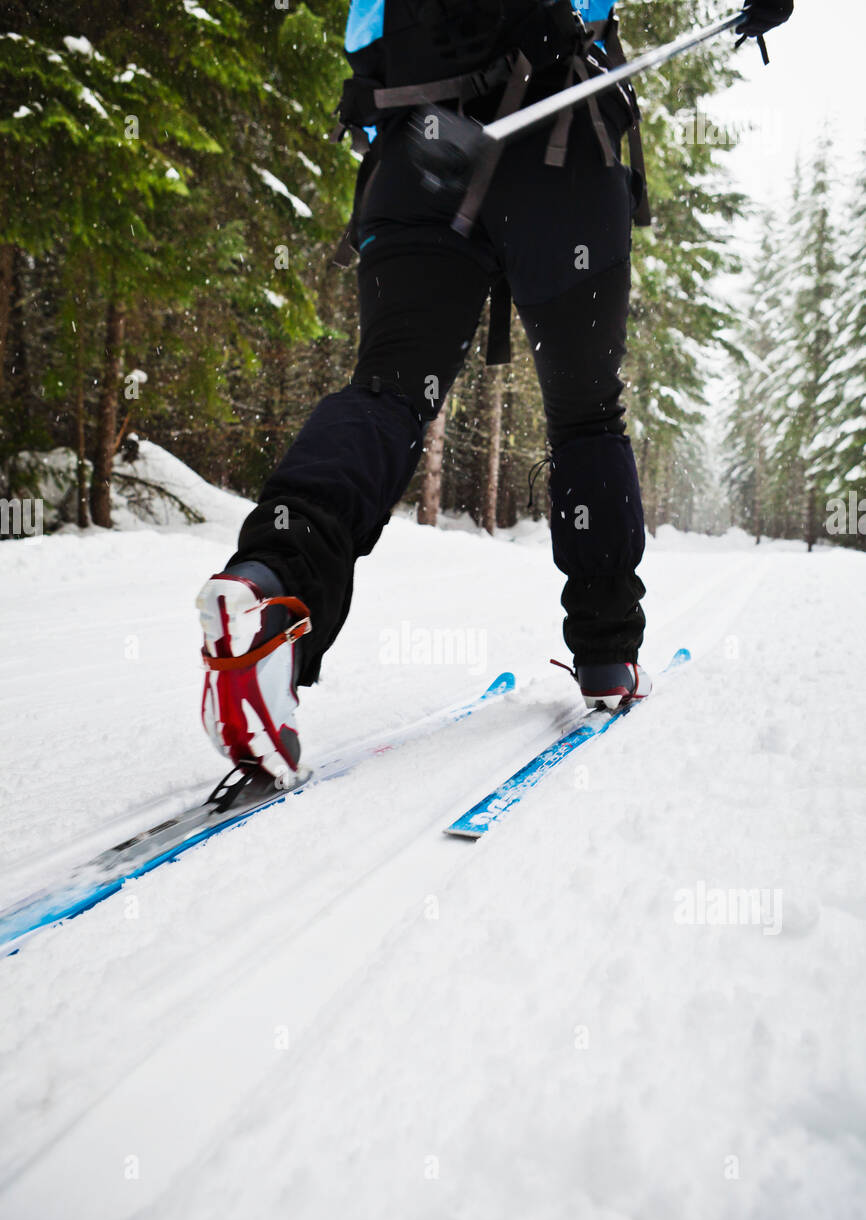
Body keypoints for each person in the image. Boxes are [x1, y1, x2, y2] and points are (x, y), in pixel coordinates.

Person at [197, 0, 794, 783]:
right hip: (560, 139)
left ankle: (273, 587)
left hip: (416, 141)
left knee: (387, 390)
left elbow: (365, 33)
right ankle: (609, 655)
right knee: (586, 413)